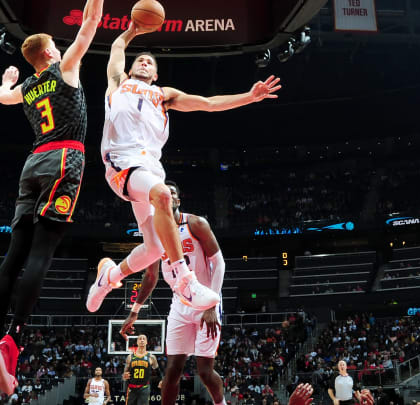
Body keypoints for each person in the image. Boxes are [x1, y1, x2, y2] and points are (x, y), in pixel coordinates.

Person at [86, 21, 282, 313]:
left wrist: (249, 97)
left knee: (154, 248)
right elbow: (116, 48)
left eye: (150, 62)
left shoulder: (164, 96)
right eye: (140, 59)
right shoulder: (117, 84)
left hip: (150, 168)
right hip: (122, 164)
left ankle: (108, 277)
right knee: (164, 195)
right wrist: (132, 31)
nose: (144, 62)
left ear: (155, 74)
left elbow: (209, 104)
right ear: (130, 68)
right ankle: (183, 281)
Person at [0, 0, 104, 395]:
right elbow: (91, 22)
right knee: (41, 254)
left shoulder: (29, 87)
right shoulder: (64, 69)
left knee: (15, 253)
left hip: (33, 163)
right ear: (49, 52)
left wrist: (7, 80)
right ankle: (12, 342)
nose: (63, 50)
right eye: (56, 47)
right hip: (64, 157)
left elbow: (1, 98)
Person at [117, 181, 226, 405]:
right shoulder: (154, 234)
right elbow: (150, 276)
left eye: (172, 193)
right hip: (180, 303)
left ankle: (221, 403)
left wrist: (211, 305)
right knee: (172, 371)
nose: (167, 196)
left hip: (205, 299)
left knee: (205, 371)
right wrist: (135, 310)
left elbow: (219, 263)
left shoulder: (195, 223)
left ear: (176, 200)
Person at [122, 334, 161, 405]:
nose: (142, 340)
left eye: (144, 339)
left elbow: (158, 371)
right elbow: (124, 374)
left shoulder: (151, 357)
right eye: (140, 339)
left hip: (144, 387)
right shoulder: (130, 357)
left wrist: (161, 380)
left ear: (146, 342)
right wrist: (124, 376)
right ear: (137, 342)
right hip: (132, 387)